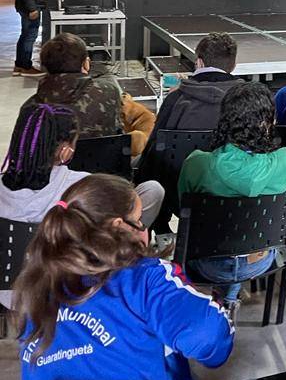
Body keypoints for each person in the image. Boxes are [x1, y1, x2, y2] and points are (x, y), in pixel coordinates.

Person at [15, 174, 233, 380]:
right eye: (140, 221)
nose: (146, 230)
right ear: (118, 227)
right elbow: (209, 340)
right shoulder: (147, 277)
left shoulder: (34, 284)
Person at [0, 104, 164, 307]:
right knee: (148, 194)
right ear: (65, 150)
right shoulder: (81, 187)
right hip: (63, 294)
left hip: (8, 296)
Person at [178, 81, 286, 305]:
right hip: (260, 260)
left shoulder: (196, 165)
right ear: (266, 123)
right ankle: (229, 298)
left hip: (206, 264)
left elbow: (184, 213)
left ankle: (222, 300)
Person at [135, 32, 245, 235]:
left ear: (199, 62)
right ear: (233, 65)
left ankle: (161, 228)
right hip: (234, 191)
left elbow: (153, 152)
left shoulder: (176, 99)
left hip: (179, 194)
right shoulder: (247, 102)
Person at [20, 33, 123, 139]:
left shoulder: (31, 109)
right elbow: (119, 135)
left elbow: (22, 151)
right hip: (103, 154)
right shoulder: (109, 92)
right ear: (86, 63)